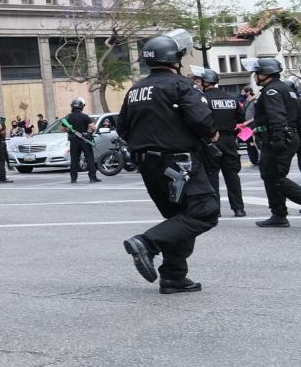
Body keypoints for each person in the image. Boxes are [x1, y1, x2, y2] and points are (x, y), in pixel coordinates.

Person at [118, 32, 220, 292]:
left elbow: (123, 128)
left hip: (148, 166)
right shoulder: (180, 85)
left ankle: (173, 275)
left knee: (180, 218)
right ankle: (147, 242)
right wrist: (211, 133)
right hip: (179, 163)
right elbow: (201, 120)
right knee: (204, 211)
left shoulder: (135, 90)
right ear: (175, 58)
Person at [248, 57, 301, 226]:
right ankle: (278, 215)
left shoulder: (272, 91)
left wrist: (278, 139)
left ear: (265, 73)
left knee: (274, 177)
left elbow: (277, 116)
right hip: (284, 136)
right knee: (271, 176)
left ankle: (279, 214)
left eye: (257, 73)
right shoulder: (284, 88)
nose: (255, 77)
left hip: (277, 138)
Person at [191, 68, 245, 217]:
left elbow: (199, 119)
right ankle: (239, 209)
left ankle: (215, 210)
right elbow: (241, 118)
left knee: (211, 175)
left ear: (205, 82)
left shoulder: (203, 99)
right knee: (232, 175)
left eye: (200, 81)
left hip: (211, 140)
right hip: (230, 140)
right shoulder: (231, 98)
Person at [61, 98, 101, 184]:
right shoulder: (85, 116)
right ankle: (92, 178)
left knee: (74, 159)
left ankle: (73, 178)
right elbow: (93, 128)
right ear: (81, 107)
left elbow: (63, 129)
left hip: (73, 140)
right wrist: (89, 133)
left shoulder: (68, 117)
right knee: (89, 158)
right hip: (85, 140)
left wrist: (70, 131)